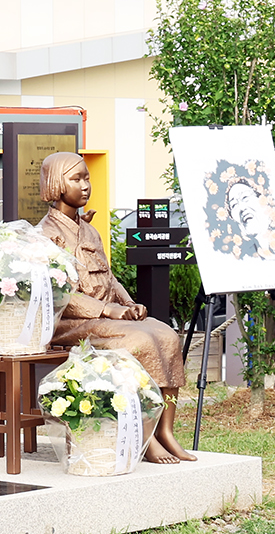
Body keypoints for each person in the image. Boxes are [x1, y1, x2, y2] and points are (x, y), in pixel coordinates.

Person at [37, 152, 196, 464]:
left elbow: (108, 277)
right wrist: (107, 310)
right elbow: (57, 293)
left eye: (87, 178)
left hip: (105, 315)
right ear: (56, 184)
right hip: (71, 322)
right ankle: (145, 436)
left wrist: (128, 303)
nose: (85, 185)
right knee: (139, 342)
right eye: (76, 179)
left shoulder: (90, 230)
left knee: (167, 336)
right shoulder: (46, 235)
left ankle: (165, 431)